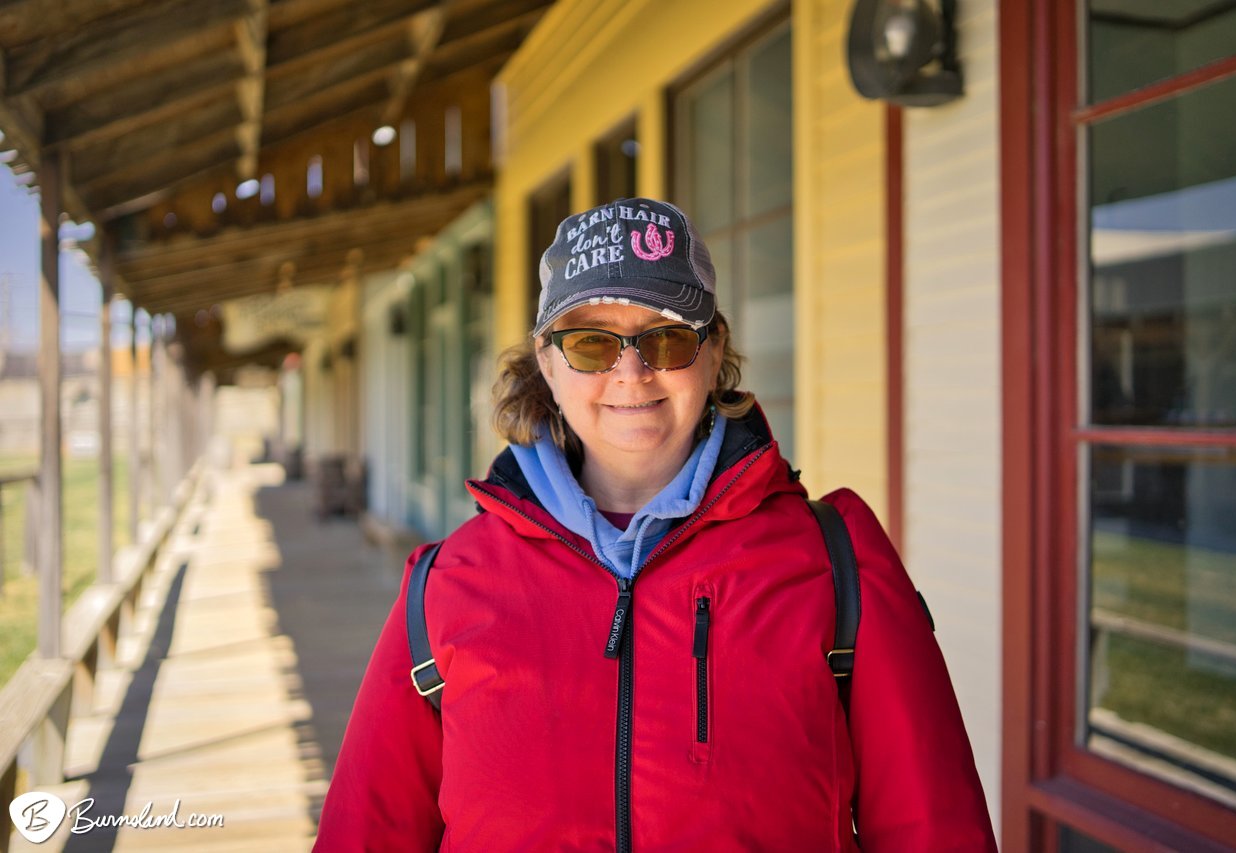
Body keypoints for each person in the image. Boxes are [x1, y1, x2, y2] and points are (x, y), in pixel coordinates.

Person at [314, 198, 996, 851]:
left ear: (713, 348)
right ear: (547, 362)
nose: (631, 371)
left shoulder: (836, 560)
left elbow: (936, 830)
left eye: (666, 337)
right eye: (589, 343)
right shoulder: (444, 587)